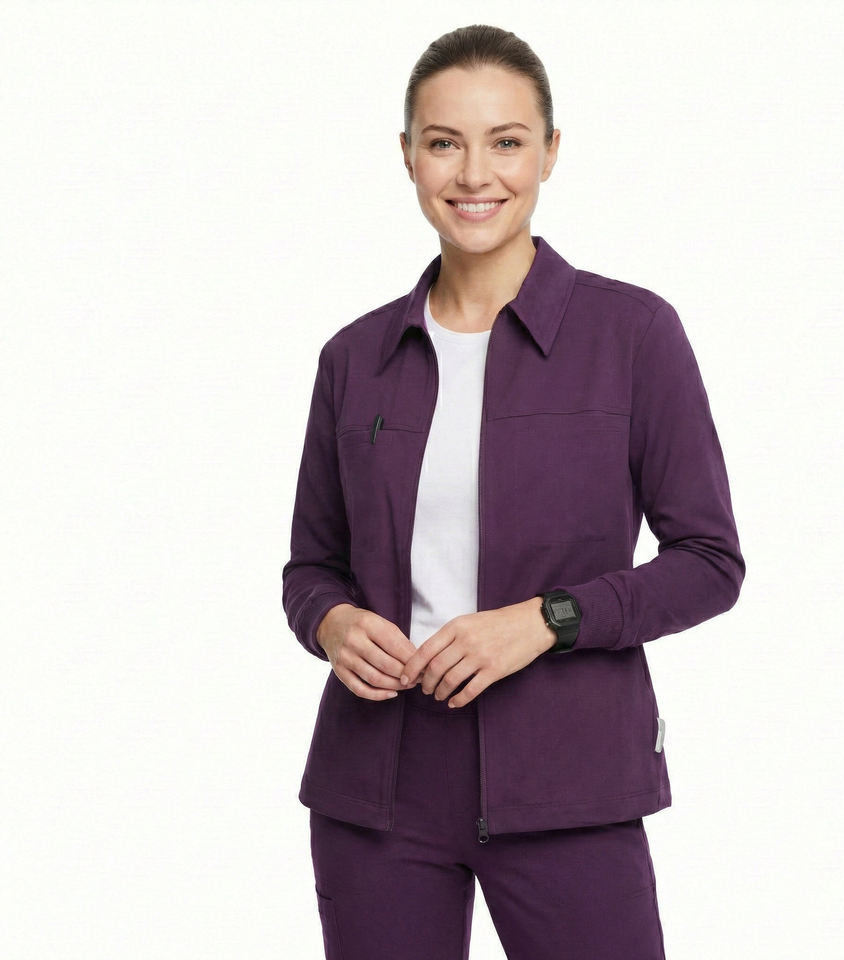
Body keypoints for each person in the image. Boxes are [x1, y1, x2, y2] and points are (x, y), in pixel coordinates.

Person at [281, 23, 745, 960]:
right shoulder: (354, 358)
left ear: (550, 152)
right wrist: (331, 623)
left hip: (570, 783)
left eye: (505, 141)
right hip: (377, 793)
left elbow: (709, 563)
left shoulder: (633, 335)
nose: (473, 174)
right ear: (407, 155)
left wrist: (546, 620)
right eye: (443, 142)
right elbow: (310, 568)